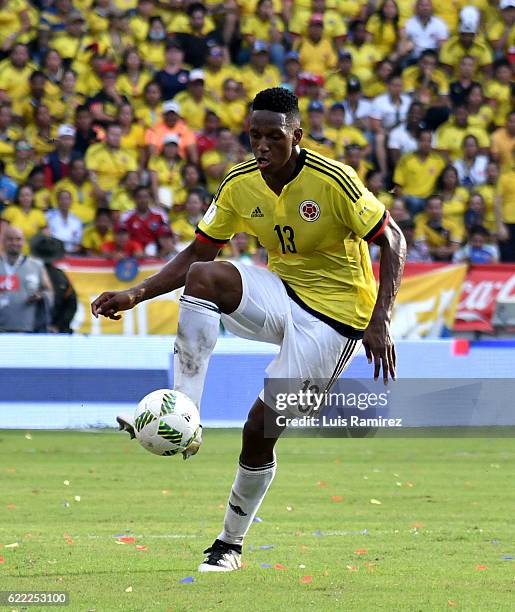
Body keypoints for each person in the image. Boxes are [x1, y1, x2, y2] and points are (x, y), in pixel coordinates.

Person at [91, 87, 406, 572]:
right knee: (205, 276)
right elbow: (199, 251)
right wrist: (135, 294)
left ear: (296, 136)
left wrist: (381, 319)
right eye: (254, 135)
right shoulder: (240, 183)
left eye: (273, 137)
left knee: (259, 431)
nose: (261, 146)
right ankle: (186, 413)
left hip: (337, 321)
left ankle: (230, 543)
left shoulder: (335, 180)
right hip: (281, 294)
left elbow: (393, 239)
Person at [0, 226, 53, 333]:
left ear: (24, 241)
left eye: (18, 239)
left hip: (27, 328)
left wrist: (40, 295)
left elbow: (49, 290)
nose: (14, 243)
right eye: (10, 239)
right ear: (3, 241)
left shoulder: (36, 265)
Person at [29, 233, 78, 333]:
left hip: (31, 329)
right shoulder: (61, 276)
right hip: (54, 330)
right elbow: (71, 305)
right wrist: (58, 326)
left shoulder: (27, 273)